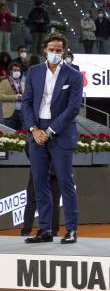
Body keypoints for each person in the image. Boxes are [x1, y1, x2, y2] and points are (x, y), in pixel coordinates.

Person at [21, 34, 82, 244]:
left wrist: (50, 130)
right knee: (40, 183)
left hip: (61, 134)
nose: (55, 53)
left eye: (59, 50)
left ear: (64, 51)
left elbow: (73, 107)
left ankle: (72, 229)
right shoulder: (34, 72)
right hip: (36, 134)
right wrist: (34, 129)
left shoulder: (73, 75)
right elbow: (27, 102)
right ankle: (45, 229)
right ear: (44, 49)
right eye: (52, 49)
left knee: (66, 182)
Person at [1, 62, 25, 130]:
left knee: (21, 135)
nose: (17, 72)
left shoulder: (22, 83)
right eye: (15, 70)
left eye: (18, 70)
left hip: (21, 113)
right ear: (10, 71)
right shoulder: (4, 82)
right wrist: (14, 97)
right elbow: (1, 96)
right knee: (10, 135)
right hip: (10, 113)